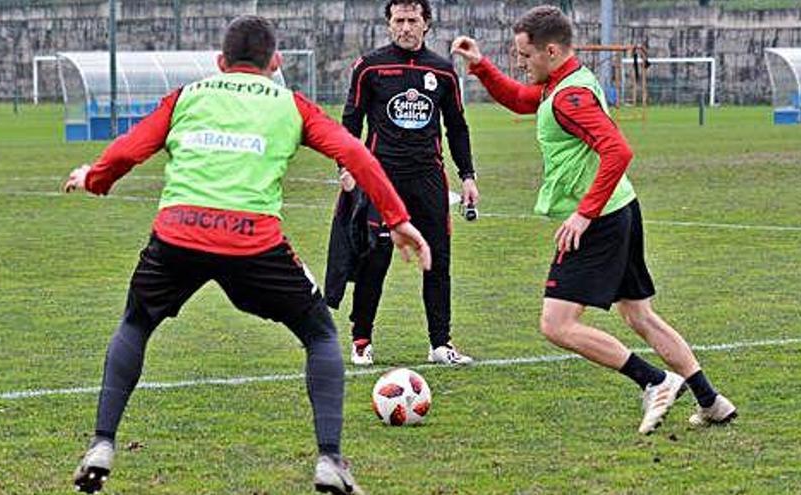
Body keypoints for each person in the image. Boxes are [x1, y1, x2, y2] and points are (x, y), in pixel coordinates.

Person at [65, 15, 431, 495]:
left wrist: (95, 179)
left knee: (136, 323)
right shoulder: (291, 105)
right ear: (276, 62)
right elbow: (358, 154)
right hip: (253, 241)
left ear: (220, 62)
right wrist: (398, 218)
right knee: (320, 331)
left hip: (178, 234)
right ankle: (329, 460)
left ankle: (102, 444)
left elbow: (128, 151)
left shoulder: (187, 96)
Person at [451, 5, 736, 434]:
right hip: (621, 209)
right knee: (639, 316)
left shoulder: (570, 96)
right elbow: (519, 99)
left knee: (557, 323)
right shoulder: (561, 84)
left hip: (600, 219)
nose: (520, 63)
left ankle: (655, 381)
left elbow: (618, 151)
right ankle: (712, 401)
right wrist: (481, 67)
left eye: (525, 56)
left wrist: (583, 215)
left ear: (550, 50)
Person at [325, 0, 478, 367]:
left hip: (428, 179)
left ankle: (440, 344)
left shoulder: (442, 72)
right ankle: (362, 340)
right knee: (374, 259)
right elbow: (351, 120)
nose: (405, 27)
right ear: (389, 24)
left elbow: (456, 127)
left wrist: (468, 176)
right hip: (380, 179)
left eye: (413, 20)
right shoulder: (369, 67)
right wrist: (345, 167)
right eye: (399, 20)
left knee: (437, 260)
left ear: (426, 25)